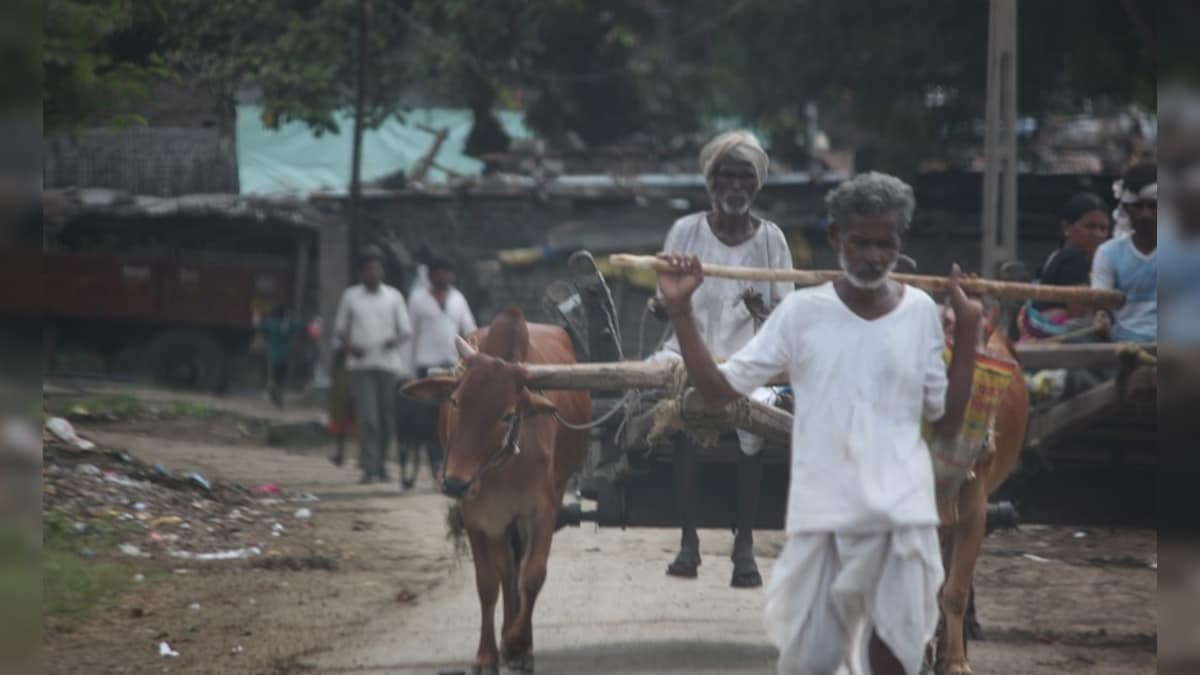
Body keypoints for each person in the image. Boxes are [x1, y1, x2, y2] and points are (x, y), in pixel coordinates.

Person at [656, 171, 981, 675]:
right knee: (813, 660)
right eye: (860, 242)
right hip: (822, 521)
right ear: (835, 239)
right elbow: (719, 391)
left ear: (901, 243)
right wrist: (681, 311)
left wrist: (972, 335)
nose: (872, 256)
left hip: (903, 520)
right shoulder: (802, 314)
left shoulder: (920, 312)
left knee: (893, 659)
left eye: (884, 244)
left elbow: (947, 419)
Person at [648, 130, 795, 589]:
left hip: (751, 359)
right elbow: (664, 298)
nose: (734, 186)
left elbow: (786, 316)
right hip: (686, 351)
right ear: (710, 185)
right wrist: (664, 304)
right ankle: (688, 541)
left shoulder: (772, 239)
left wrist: (761, 311)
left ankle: (744, 545)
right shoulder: (685, 231)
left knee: (753, 423)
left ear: (756, 186)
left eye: (743, 178)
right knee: (680, 409)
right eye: (724, 177)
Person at [333, 246, 414, 484]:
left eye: (377, 268)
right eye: (369, 269)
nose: (373, 273)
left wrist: (394, 341)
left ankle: (382, 466)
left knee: (387, 418)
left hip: (388, 364)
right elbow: (340, 329)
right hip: (360, 365)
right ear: (361, 272)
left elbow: (405, 330)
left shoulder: (394, 296)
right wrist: (350, 347)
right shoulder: (351, 296)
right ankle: (369, 467)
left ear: (382, 272)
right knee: (368, 418)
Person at [1017, 193, 1111, 343]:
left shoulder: (1058, 255)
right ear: (1066, 227)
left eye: (1103, 228)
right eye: (1090, 226)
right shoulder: (1073, 259)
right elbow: (1078, 311)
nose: (1097, 234)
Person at [1093, 162, 1157, 344]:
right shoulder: (1108, 253)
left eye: (1153, 206)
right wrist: (1101, 317)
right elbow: (1101, 300)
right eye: (1138, 206)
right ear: (1127, 209)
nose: (1145, 214)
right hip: (1124, 346)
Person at [407, 256, 478, 378]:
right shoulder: (417, 298)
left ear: (452, 275)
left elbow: (470, 331)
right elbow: (410, 334)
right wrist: (408, 368)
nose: (441, 276)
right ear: (429, 276)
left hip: (452, 363)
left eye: (445, 272)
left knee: (451, 397)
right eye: (437, 273)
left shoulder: (458, 298)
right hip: (425, 364)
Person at [255, 303, 298, 407]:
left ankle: (272, 389)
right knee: (281, 379)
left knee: (272, 377)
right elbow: (297, 328)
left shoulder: (269, 323)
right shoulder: (287, 323)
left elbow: (260, 327)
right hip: (285, 355)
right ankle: (279, 396)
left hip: (273, 355)